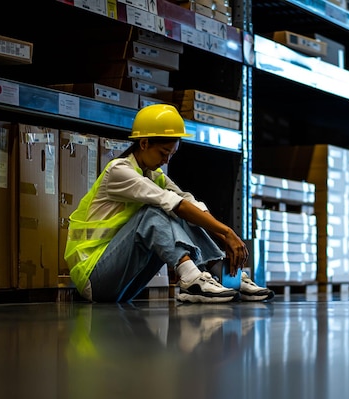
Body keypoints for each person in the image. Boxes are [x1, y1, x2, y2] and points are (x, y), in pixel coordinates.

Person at [64, 104, 274, 303]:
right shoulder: (118, 171)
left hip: (123, 282)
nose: (166, 161)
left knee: (184, 211)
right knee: (155, 212)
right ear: (144, 143)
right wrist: (228, 233)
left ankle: (229, 277)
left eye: (171, 155)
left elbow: (189, 204)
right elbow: (174, 204)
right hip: (94, 278)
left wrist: (226, 236)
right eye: (163, 153)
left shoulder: (156, 176)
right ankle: (191, 280)